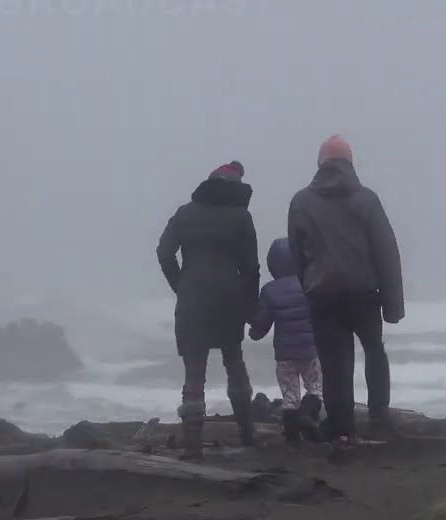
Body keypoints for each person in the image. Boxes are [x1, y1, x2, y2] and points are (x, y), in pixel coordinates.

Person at [287, 135, 403, 457]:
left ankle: (341, 429)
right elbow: (386, 252)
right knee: (374, 351)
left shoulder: (301, 201)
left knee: (335, 364)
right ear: (350, 163)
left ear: (320, 163)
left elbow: (297, 253)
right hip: (364, 293)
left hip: (323, 294)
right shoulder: (367, 200)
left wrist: (307, 285)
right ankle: (379, 416)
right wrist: (393, 305)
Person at [156, 161, 261, 460]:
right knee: (234, 361)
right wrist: (251, 308)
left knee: (194, 371)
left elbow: (164, 252)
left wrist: (181, 285)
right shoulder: (241, 217)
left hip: (193, 299)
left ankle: (192, 447)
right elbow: (251, 268)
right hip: (229, 298)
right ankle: (247, 436)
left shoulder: (185, 213)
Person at [248, 237, 323, 445]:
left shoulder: (269, 290)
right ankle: (307, 417)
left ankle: (292, 439)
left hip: (285, 354)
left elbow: (262, 323)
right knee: (315, 388)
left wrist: (254, 332)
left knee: (290, 397)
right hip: (310, 350)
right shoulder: (309, 284)